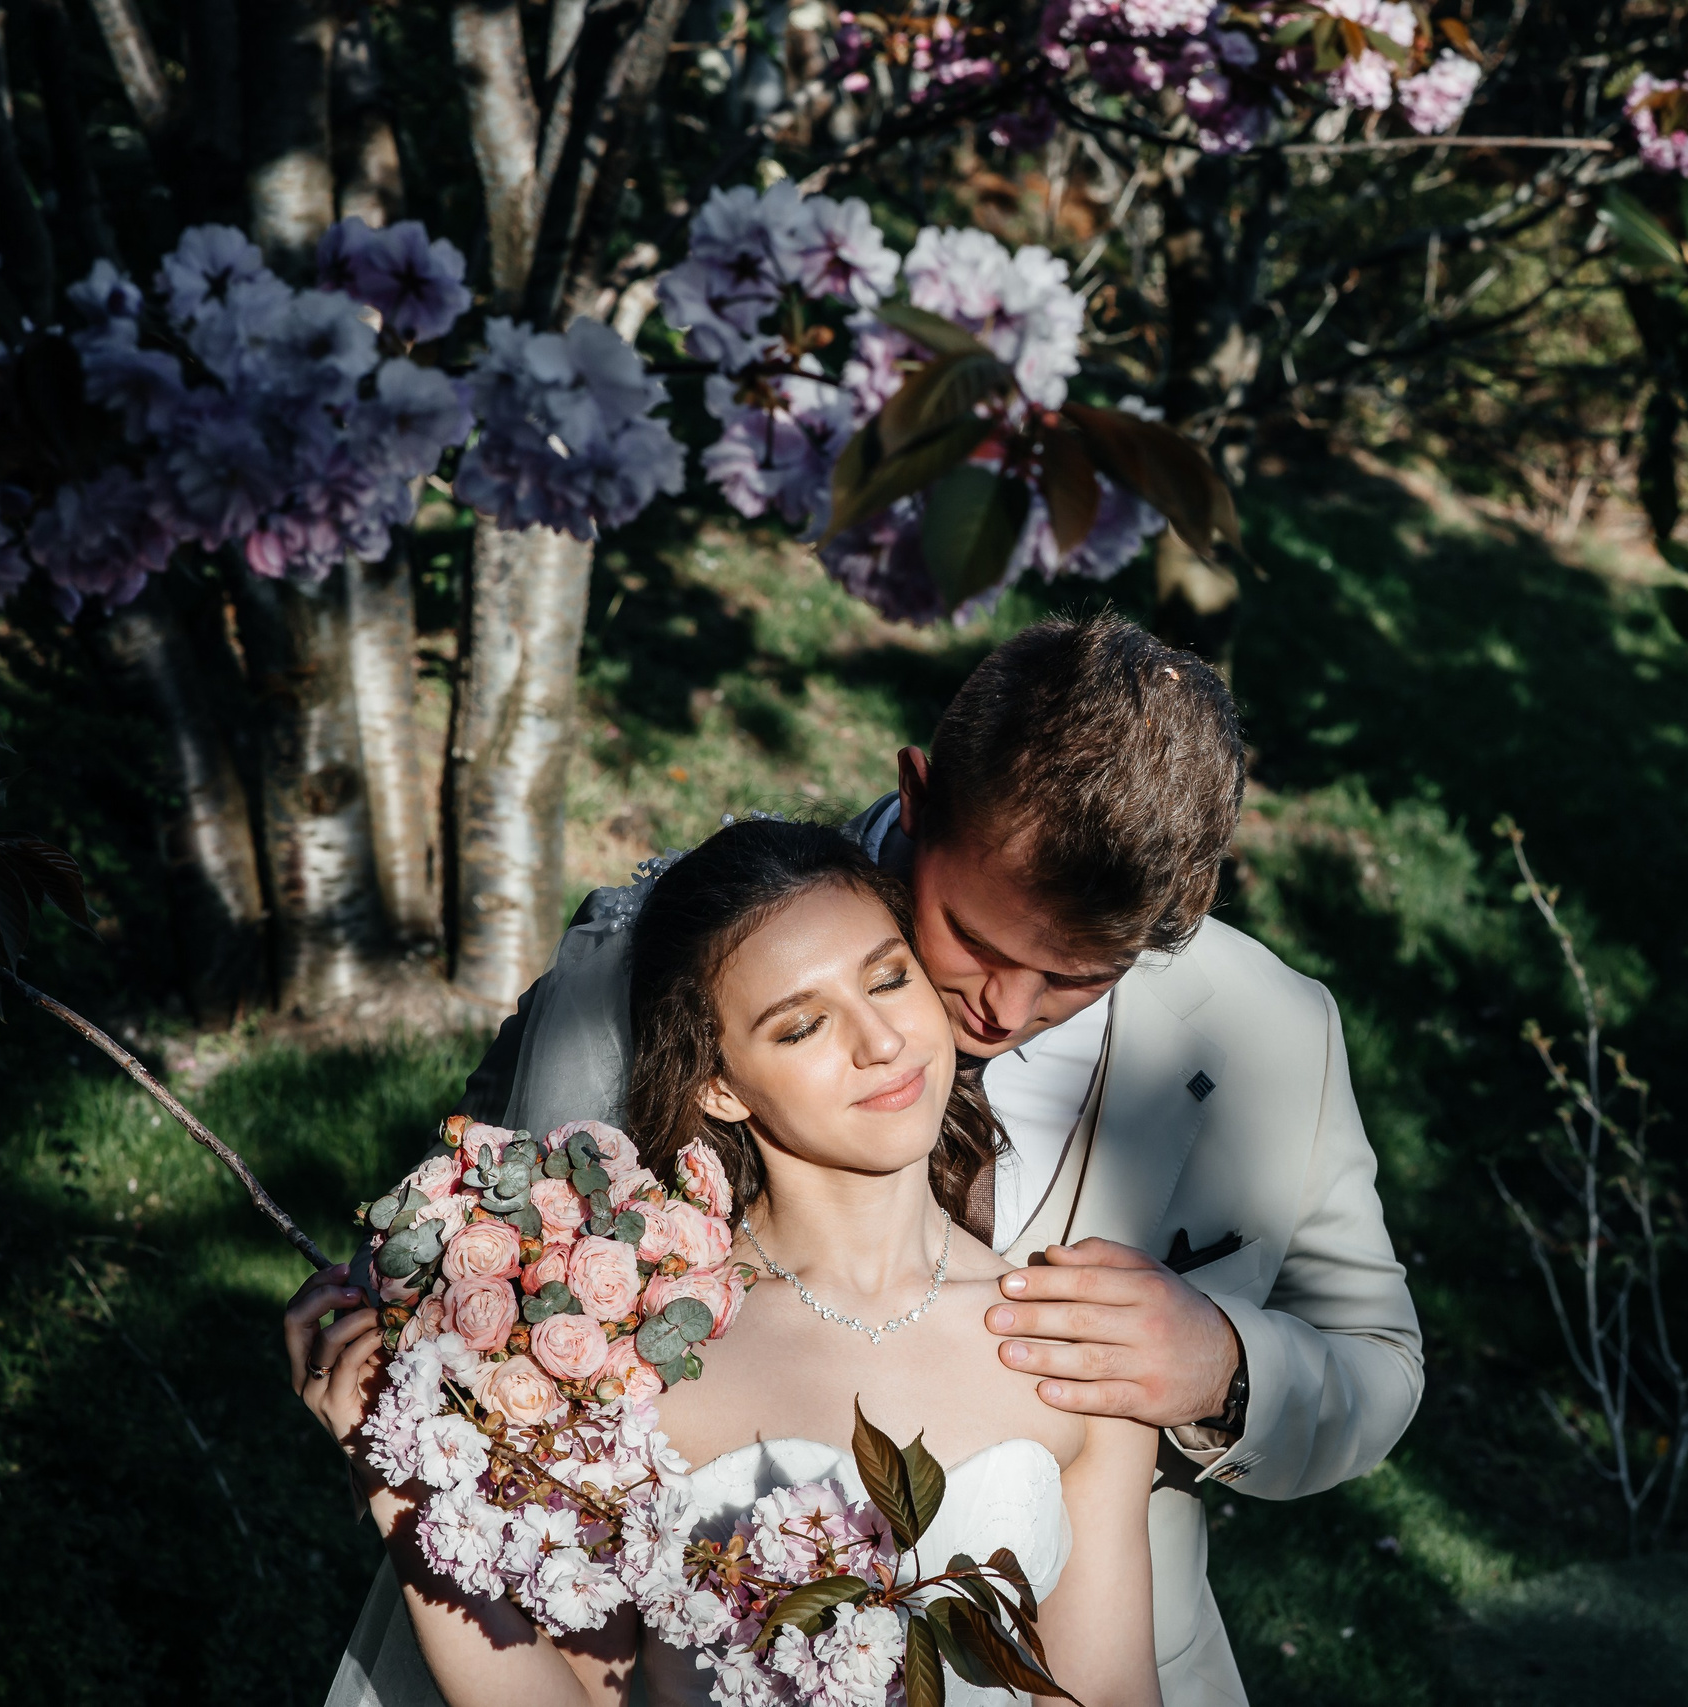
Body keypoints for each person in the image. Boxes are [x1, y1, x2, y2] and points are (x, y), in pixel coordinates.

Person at [322, 613, 1422, 1707]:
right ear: (918, 799)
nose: (1004, 1011)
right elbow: (479, 1239)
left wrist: (1221, 1365)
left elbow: (1379, 1358)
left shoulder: (1272, 1032)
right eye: (973, 941)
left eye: (1079, 976)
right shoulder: (645, 969)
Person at [288, 823, 1162, 1707]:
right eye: (802, 1025)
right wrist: (401, 1484)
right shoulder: (628, 1351)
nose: (881, 1041)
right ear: (720, 1085)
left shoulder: (1074, 1339)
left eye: (889, 979)